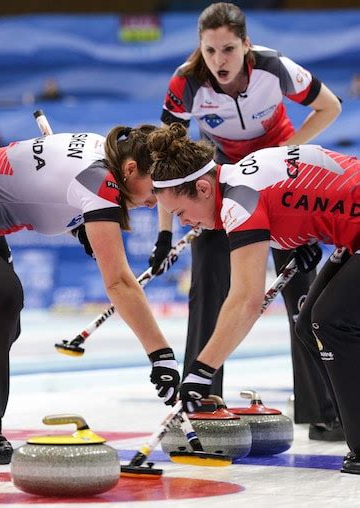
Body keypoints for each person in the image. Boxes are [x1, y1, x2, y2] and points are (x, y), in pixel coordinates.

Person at [0, 125, 181, 464]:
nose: (155, 200)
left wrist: (78, 224)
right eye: (154, 189)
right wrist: (161, 354)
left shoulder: (104, 151)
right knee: (1, 298)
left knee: (5, 318)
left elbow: (50, 188)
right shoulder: (101, 182)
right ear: (129, 170)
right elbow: (120, 284)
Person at [149, 1, 342, 439]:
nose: (219, 60)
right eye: (211, 50)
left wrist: (282, 152)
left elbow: (330, 107)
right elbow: (165, 164)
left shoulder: (275, 68)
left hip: (276, 183)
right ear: (200, 48)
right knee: (209, 289)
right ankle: (202, 400)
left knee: (301, 291)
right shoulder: (186, 82)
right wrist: (164, 233)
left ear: (246, 45)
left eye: (229, 49)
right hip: (214, 186)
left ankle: (324, 410)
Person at [148, 122, 360, 475]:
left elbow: (245, 300)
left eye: (181, 213)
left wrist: (201, 372)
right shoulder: (241, 175)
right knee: (309, 323)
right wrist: (300, 238)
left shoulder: (237, 201)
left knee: (329, 320)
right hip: (350, 235)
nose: (185, 224)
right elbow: (304, 188)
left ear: (202, 187)